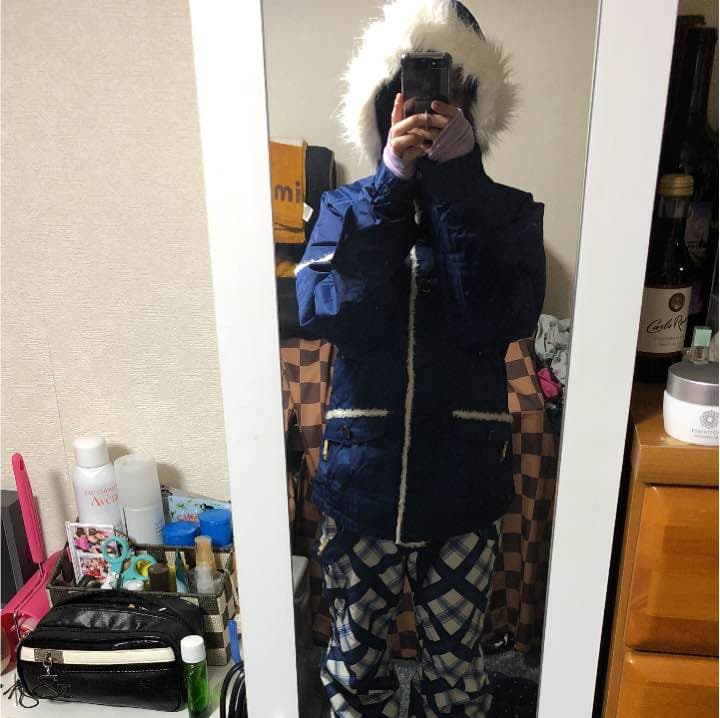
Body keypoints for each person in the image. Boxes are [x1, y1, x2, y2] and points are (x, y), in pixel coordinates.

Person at [295, 1, 546, 715]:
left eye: (451, 90)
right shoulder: (346, 207)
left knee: (457, 675)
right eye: (414, 88)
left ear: (476, 104)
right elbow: (326, 312)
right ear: (386, 100)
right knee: (353, 668)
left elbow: (498, 320)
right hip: (361, 481)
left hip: (463, 486)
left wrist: (457, 187)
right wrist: (391, 186)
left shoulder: (510, 211)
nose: (431, 106)